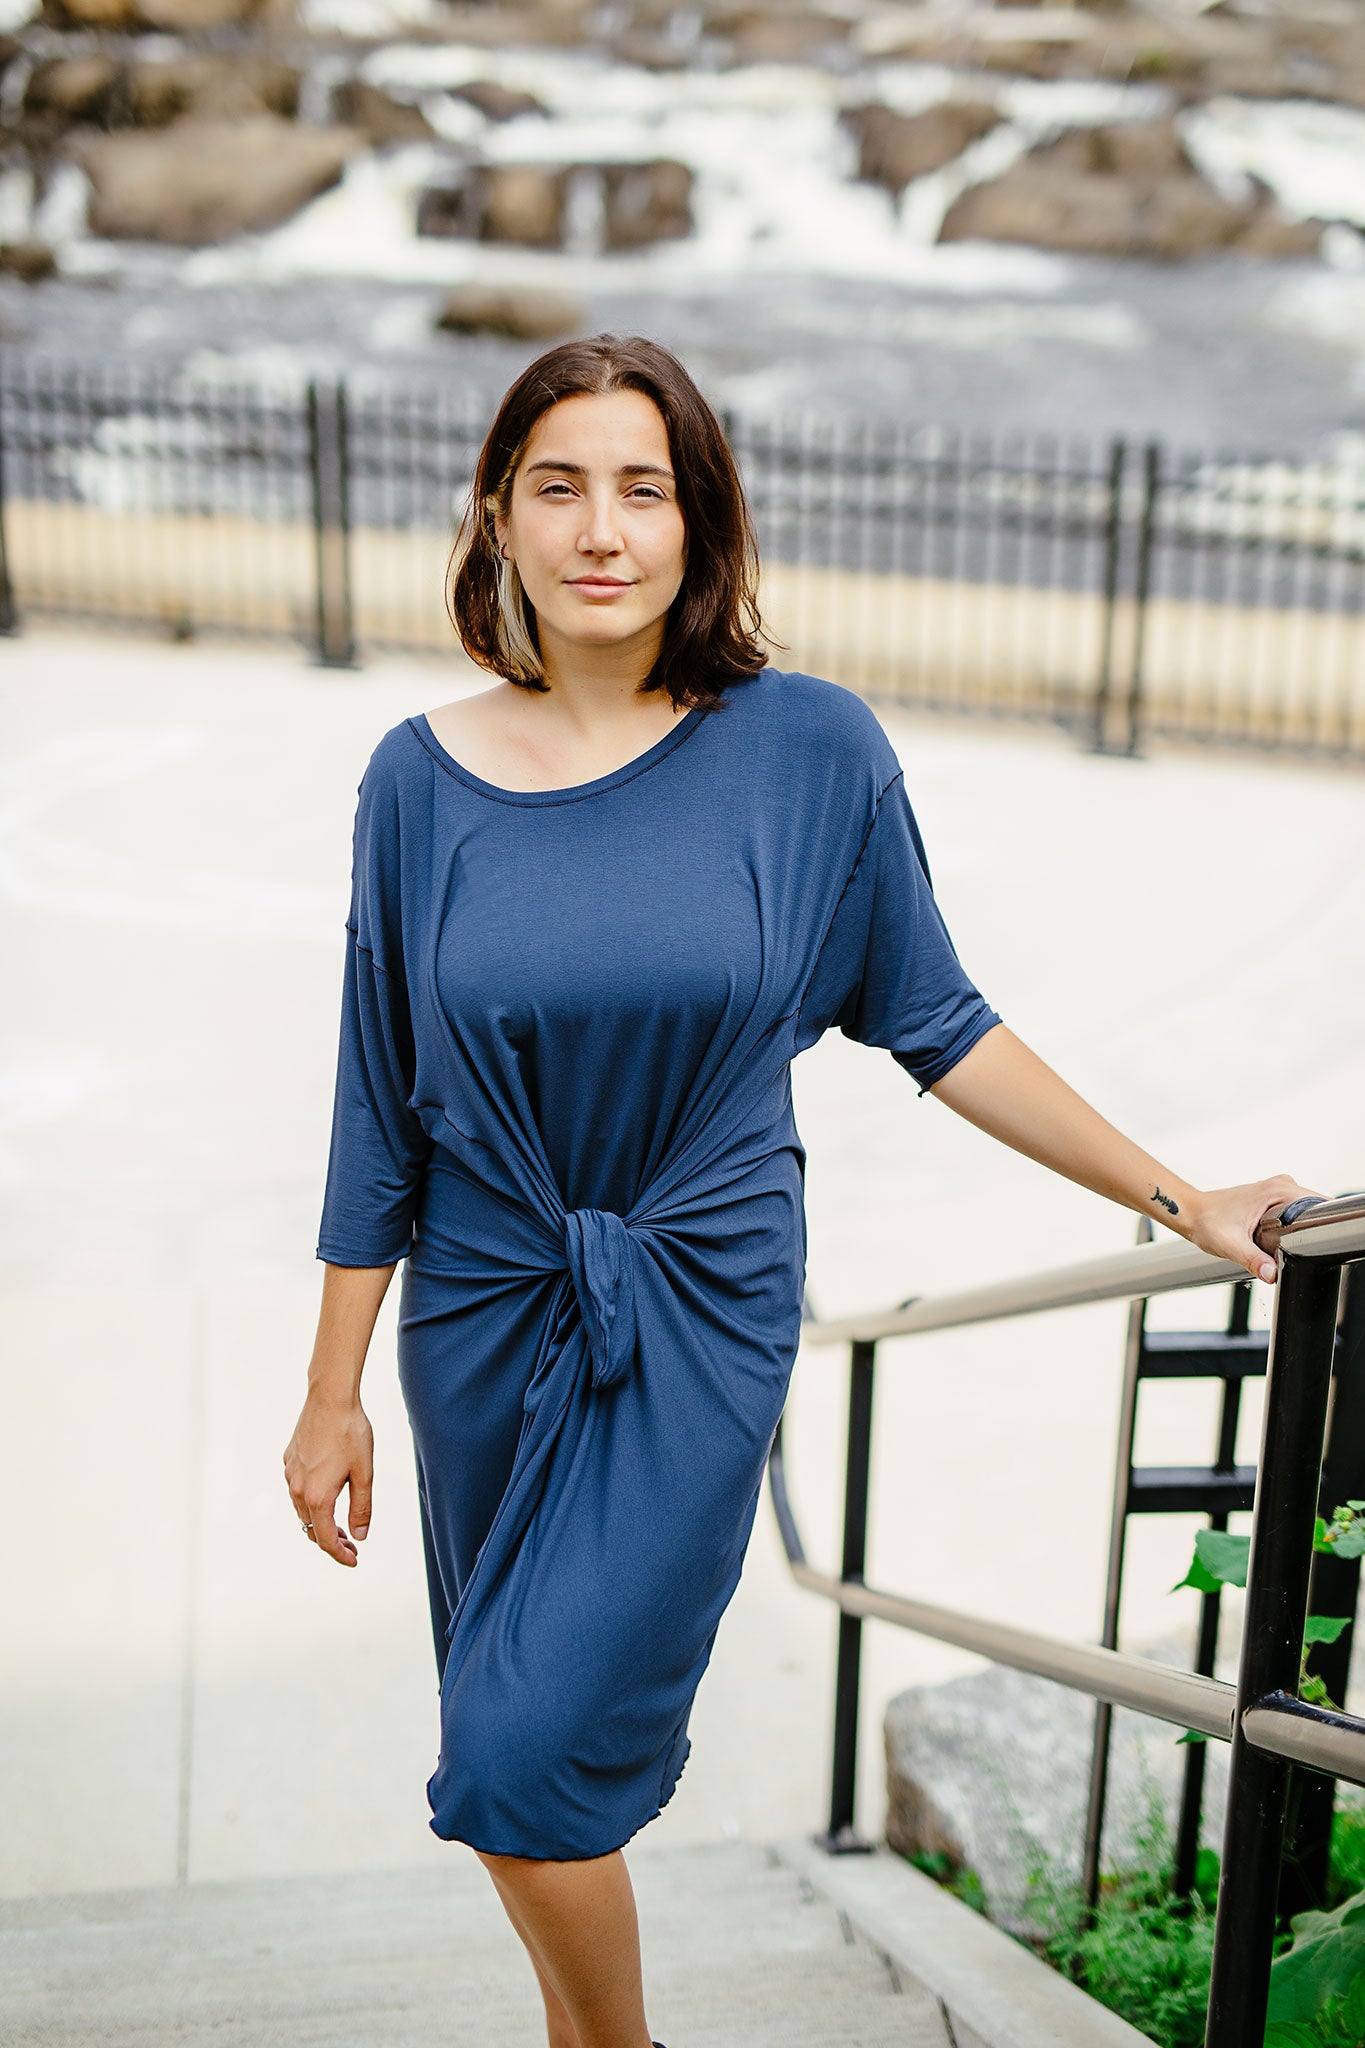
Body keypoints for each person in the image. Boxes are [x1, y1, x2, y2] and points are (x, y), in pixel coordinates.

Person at [283, 334, 1319, 2048]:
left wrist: (1176, 1192)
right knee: (515, 1738)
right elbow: (375, 1111)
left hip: (692, 1291)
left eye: (645, 487)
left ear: (701, 525)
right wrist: (329, 1392)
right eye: (559, 486)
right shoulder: (414, 778)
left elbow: (938, 1021)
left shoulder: (809, 752)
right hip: (480, 1305)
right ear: (496, 516)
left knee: (518, 1756)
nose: (600, 529)